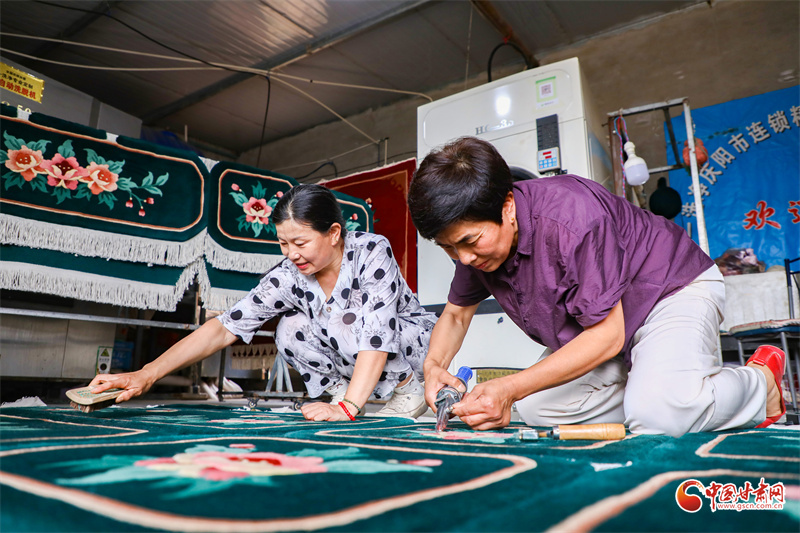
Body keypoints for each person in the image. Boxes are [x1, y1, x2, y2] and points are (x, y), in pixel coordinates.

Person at [407, 136, 786, 437]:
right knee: (538, 408)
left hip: (669, 290)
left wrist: (507, 389)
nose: (463, 258)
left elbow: (606, 337)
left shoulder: (571, 218)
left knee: (660, 414)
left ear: (507, 207)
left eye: (470, 242)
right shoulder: (474, 250)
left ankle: (759, 383)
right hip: (608, 324)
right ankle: (659, 392)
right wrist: (433, 366)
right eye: (448, 248)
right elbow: (455, 316)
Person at [90, 184, 436, 421]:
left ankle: (406, 391)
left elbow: (376, 332)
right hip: (356, 350)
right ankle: (342, 391)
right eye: (283, 244)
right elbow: (225, 327)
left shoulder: (371, 250)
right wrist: (146, 374)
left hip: (412, 346)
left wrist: (348, 408)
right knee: (290, 328)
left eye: (300, 242)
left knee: (344, 320)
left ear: (333, 233)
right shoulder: (289, 274)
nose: (291, 254)